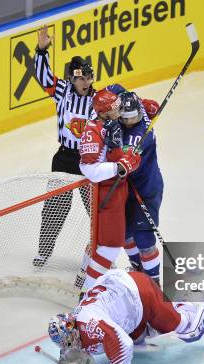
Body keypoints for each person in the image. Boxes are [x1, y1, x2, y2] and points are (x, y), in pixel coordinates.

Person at [47, 268, 204, 364]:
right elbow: (70, 349)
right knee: (141, 340)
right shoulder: (70, 327)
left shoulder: (90, 324)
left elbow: (121, 341)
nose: (68, 345)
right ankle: (167, 311)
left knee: (180, 327)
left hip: (140, 292)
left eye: (68, 341)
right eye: (65, 343)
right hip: (124, 302)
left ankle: (200, 306)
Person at [32, 25, 96, 268]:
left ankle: (99, 255)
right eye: (81, 77)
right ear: (72, 78)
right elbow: (43, 76)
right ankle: (43, 252)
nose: (86, 81)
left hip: (89, 161)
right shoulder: (62, 91)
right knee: (55, 208)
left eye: (88, 77)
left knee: (98, 210)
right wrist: (41, 49)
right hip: (64, 159)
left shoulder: (97, 99)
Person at [78, 89, 141, 290]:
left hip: (116, 191)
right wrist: (120, 166)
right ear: (104, 112)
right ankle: (87, 294)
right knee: (110, 248)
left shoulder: (109, 122)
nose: (119, 110)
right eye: (114, 108)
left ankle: (83, 275)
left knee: (102, 244)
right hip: (106, 195)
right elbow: (88, 169)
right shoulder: (93, 131)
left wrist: (126, 156)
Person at [118, 91, 164, 284]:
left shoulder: (138, 137)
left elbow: (124, 165)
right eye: (125, 119)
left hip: (146, 190)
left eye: (133, 118)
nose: (129, 122)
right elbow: (115, 87)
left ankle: (153, 283)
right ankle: (138, 269)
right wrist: (144, 101)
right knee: (125, 233)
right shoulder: (142, 108)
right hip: (128, 190)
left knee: (143, 238)